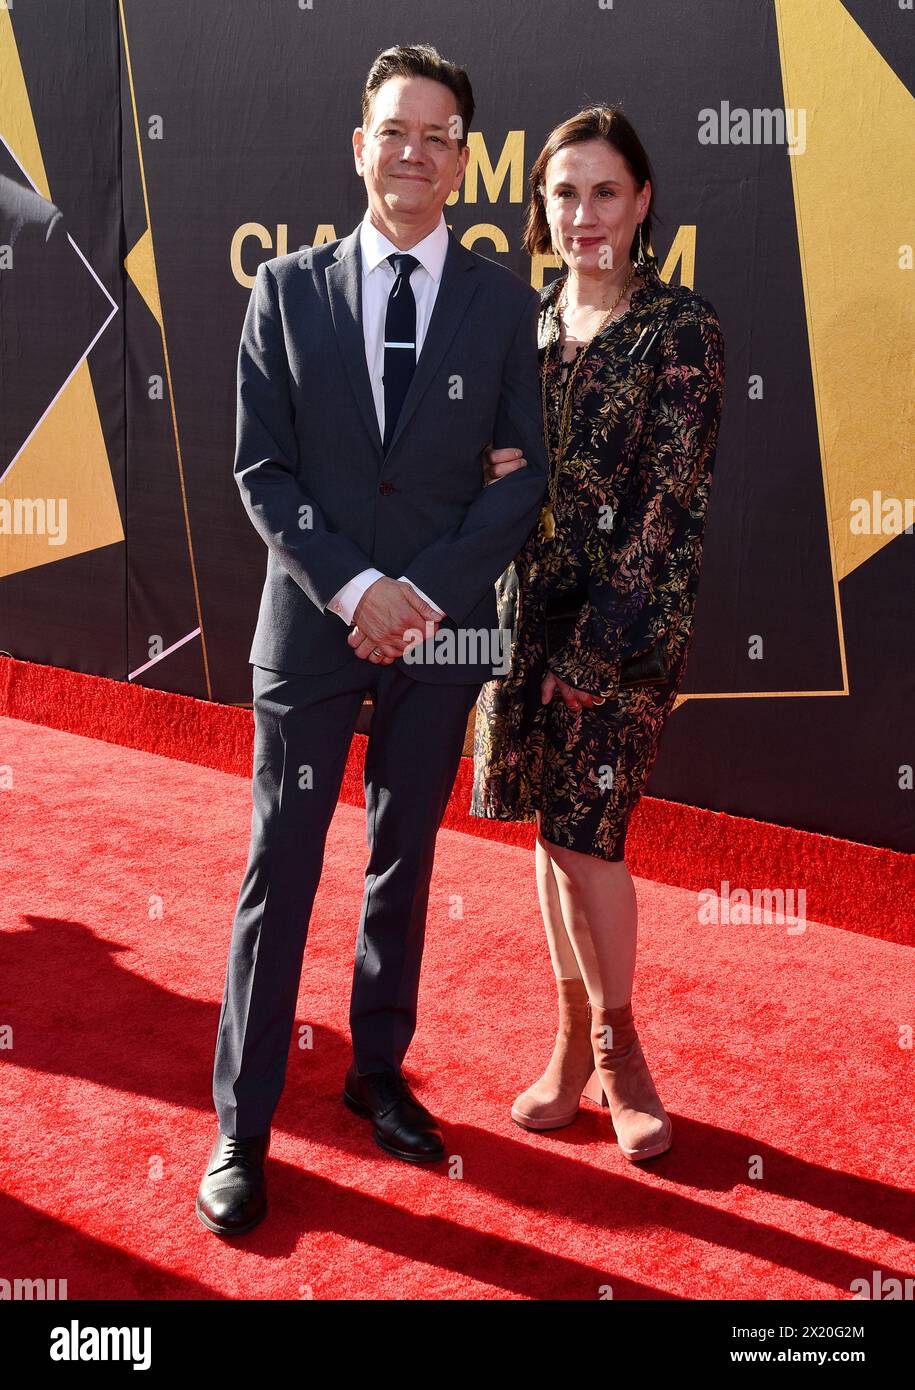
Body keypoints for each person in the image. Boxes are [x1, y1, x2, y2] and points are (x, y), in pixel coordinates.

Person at [196, 44, 547, 1237]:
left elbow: (519, 483)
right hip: (313, 625)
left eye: (438, 134)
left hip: (438, 638)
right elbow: (264, 469)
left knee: (405, 857)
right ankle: (242, 1125)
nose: (414, 152)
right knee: (278, 872)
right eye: (394, 130)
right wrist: (357, 588)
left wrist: (423, 596)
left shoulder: (505, 305)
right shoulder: (284, 292)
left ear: (465, 161)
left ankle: (376, 1070)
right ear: (361, 146)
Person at [471, 105, 725, 1162]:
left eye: (605, 191)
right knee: (543, 827)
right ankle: (569, 1042)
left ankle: (622, 1053)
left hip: (622, 633)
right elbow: (490, 469)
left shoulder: (682, 331)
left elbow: (668, 505)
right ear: (542, 206)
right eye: (564, 192)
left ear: (643, 201)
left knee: (590, 836)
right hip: (523, 616)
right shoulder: (521, 325)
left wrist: (596, 647)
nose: (584, 213)